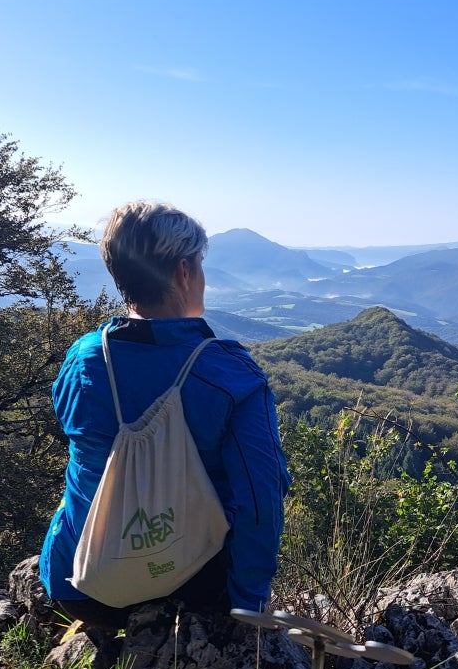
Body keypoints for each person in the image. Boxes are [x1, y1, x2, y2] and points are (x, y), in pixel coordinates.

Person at [39, 201, 291, 632]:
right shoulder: (229, 373)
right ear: (183, 273)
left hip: (80, 584)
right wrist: (248, 605)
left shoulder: (83, 359)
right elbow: (260, 496)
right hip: (189, 585)